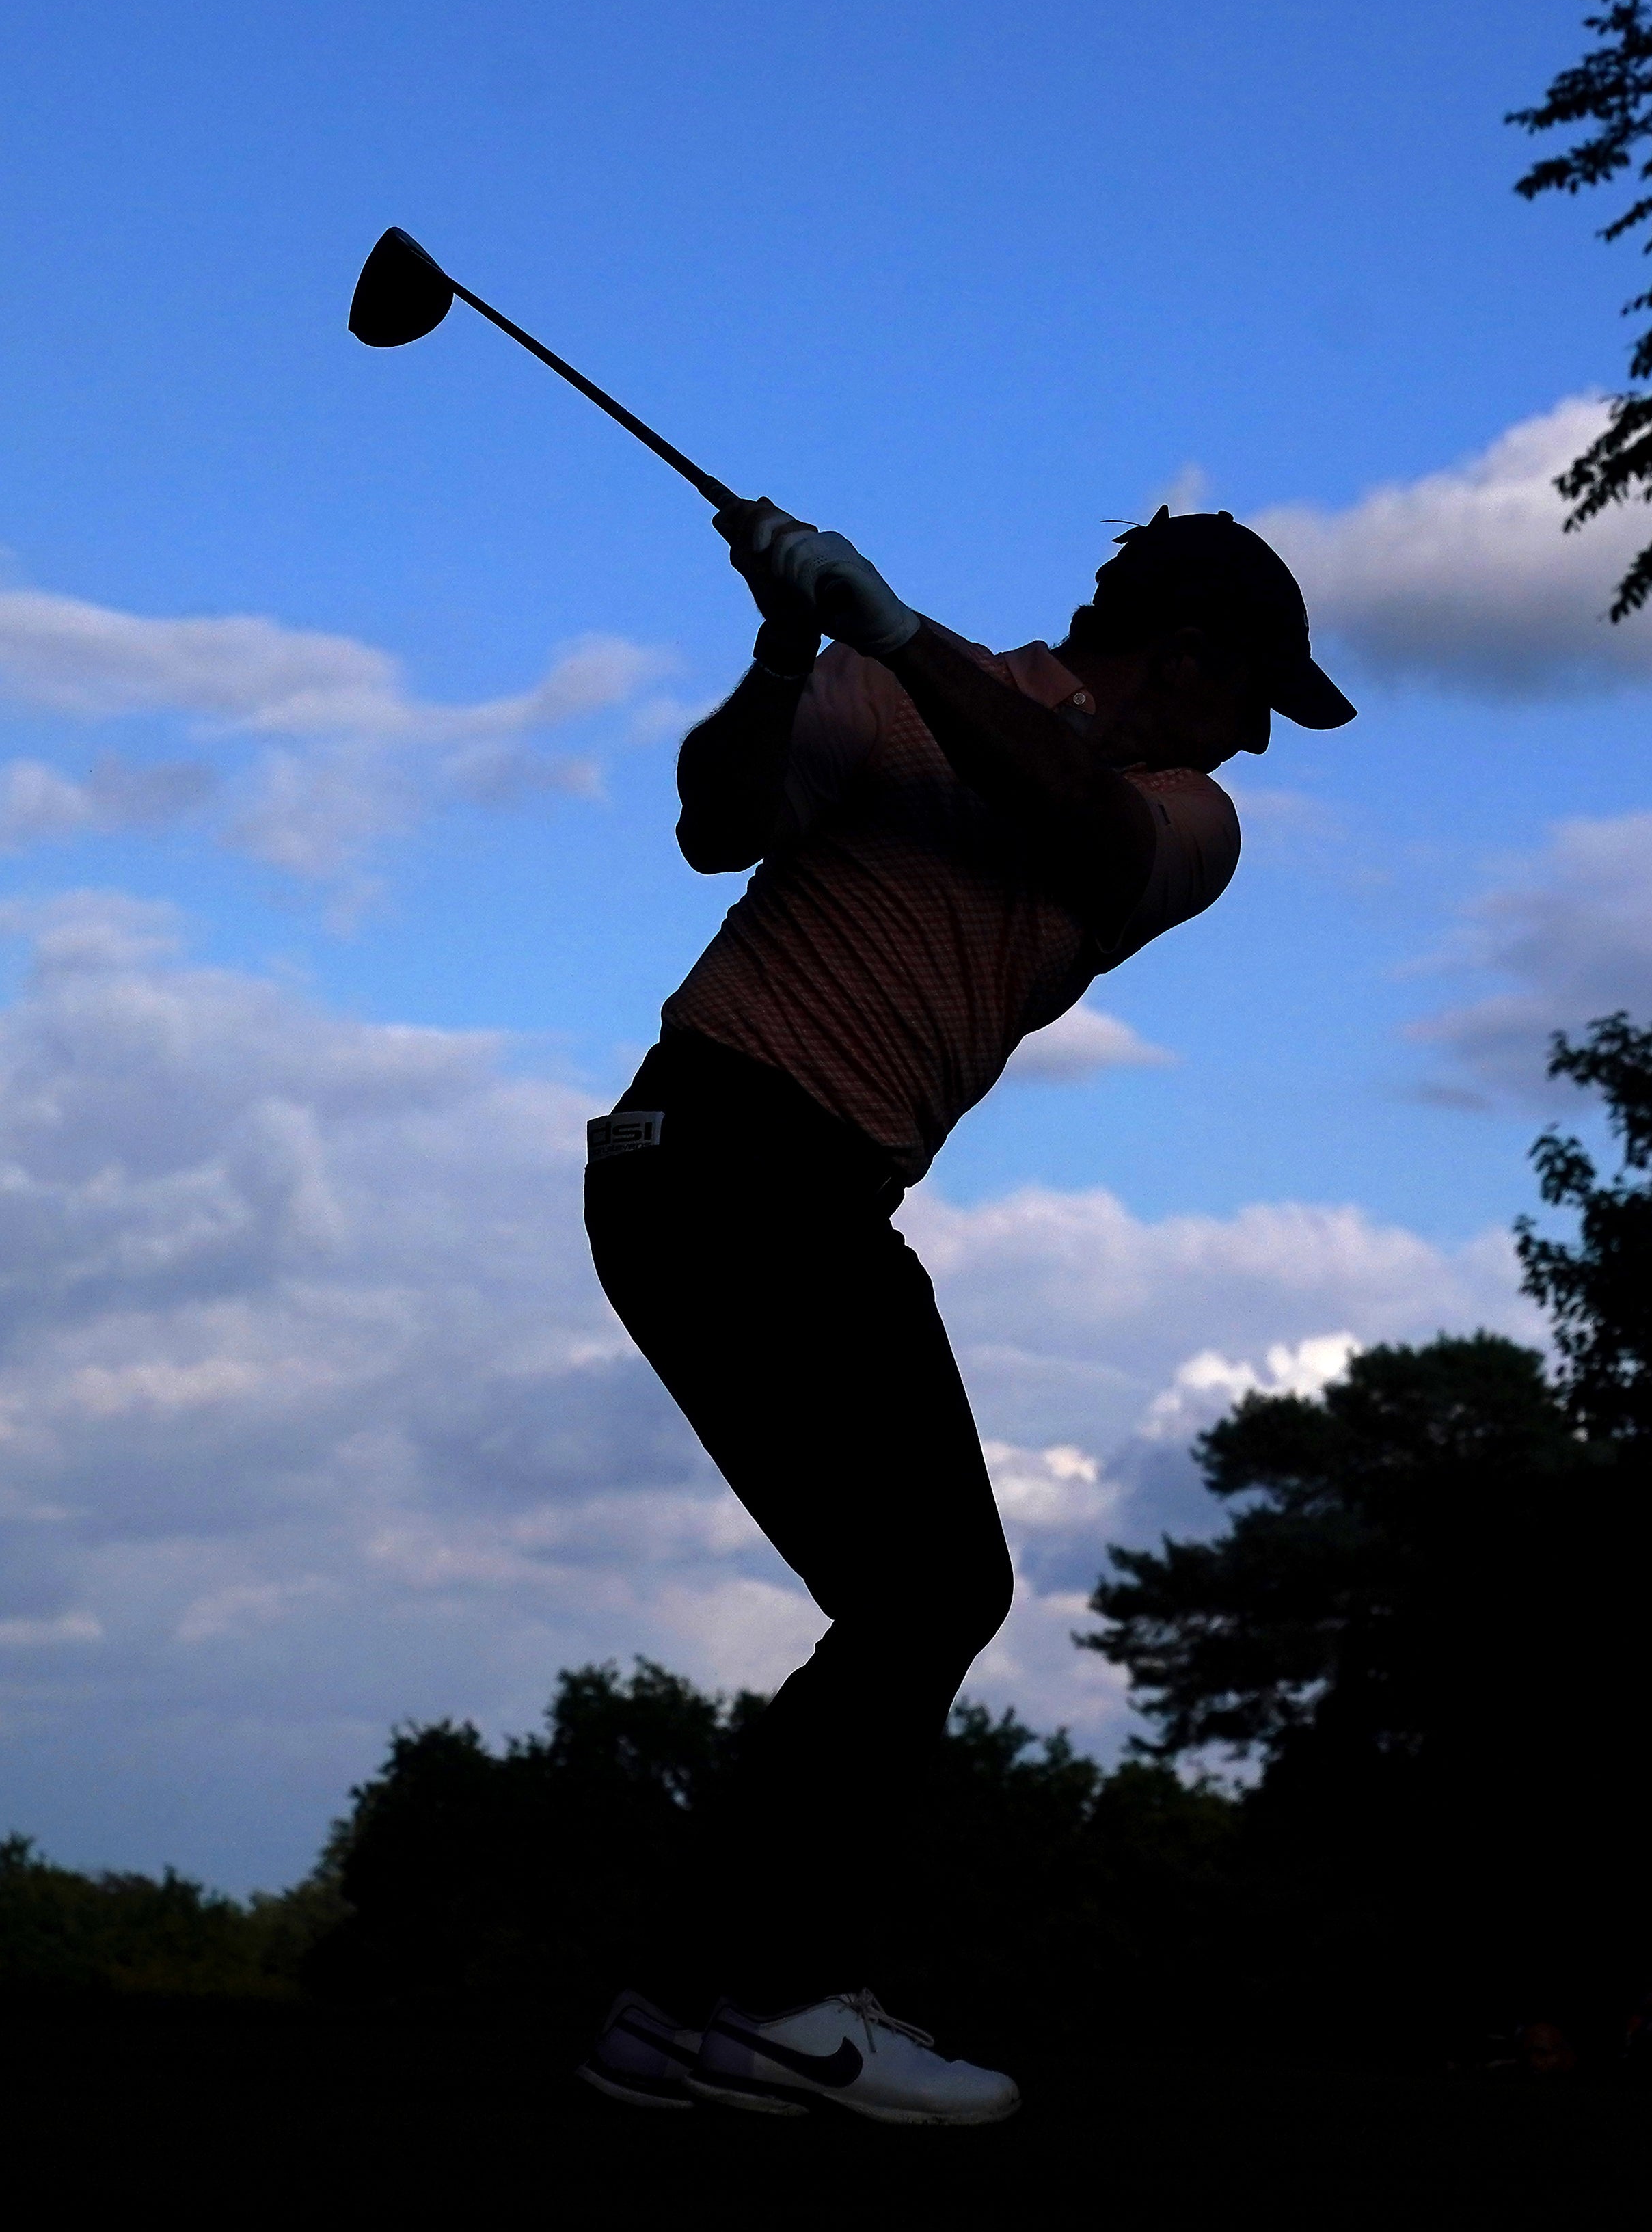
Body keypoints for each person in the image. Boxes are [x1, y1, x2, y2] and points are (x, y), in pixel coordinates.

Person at [572, 498, 1354, 2122]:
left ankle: (681, 2006)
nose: (1262, 745)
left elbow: (1081, 828)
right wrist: (788, 649)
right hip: (715, 1152)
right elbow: (719, 825)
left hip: (785, 1194)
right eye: (1256, 700)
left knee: (915, 1594)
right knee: (930, 1592)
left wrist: (888, 631)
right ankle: (772, 2001)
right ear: (1187, 654)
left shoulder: (1184, 817)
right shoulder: (879, 685)